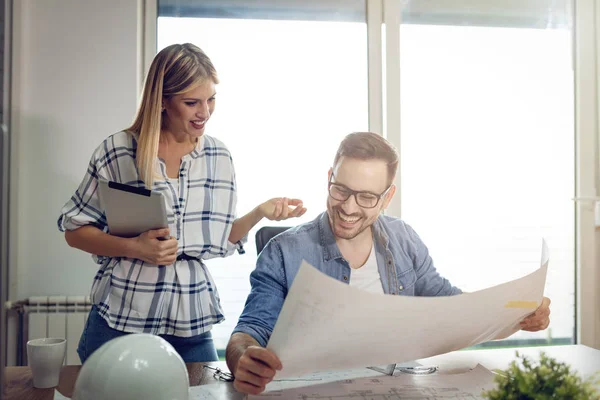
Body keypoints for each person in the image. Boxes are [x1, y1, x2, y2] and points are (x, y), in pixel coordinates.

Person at [225, 132, 552, 395]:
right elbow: (247, 334)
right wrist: (244, 359)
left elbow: (450, 306)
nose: (349, 207)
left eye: (367, 197)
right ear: (329, 178)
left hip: (397, 387)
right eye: (340, 190)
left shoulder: (403, 239)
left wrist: (517, 314)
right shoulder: (283, 251)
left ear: (387, 197)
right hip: (316, 389)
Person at [57, 43, 306, 364]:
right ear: (162, 100)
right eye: (192, 102)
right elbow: (74, 231)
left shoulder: (218, 157)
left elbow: (219, 239)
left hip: (190, 321)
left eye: (211, 99)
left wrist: (260, 212)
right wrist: (137, 248)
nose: (205, 112)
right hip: (121, 318)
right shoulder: (117, 151)